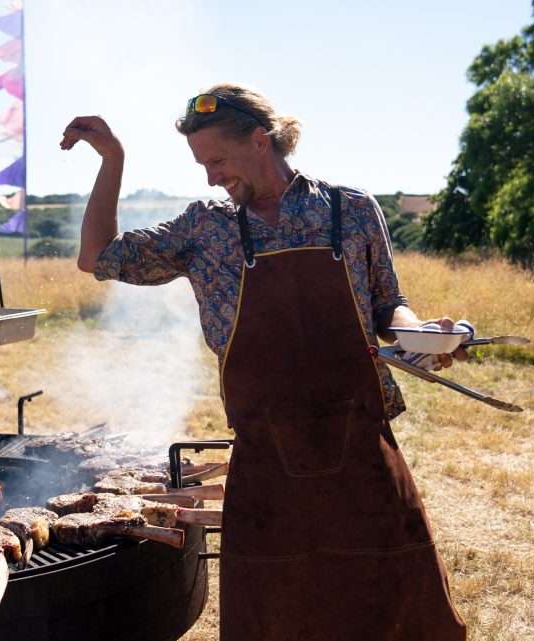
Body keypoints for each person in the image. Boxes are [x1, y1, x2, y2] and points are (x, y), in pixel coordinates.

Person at [61, 83, 469, 641]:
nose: (211, 177)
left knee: (398, 611)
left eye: (218, 160)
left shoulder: (351, 210)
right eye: (203, 165)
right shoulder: (206, 227)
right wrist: (114, 161)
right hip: (266, 463)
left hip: (364, 454)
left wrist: (421, 335)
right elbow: (96, 257)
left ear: (260, 140)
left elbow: (385, 304)